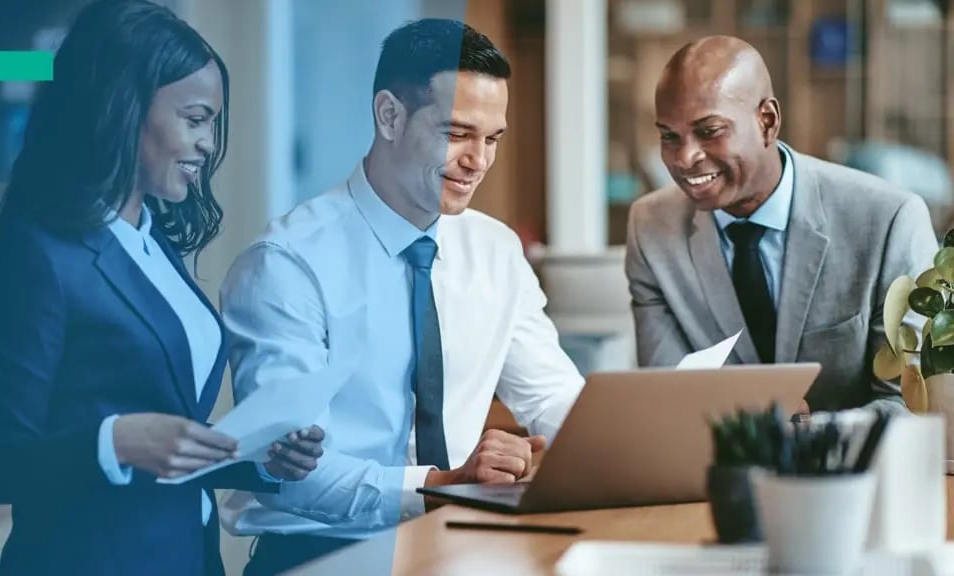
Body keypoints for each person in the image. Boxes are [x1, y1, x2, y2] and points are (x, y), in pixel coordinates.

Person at [0, 1, 323, 575]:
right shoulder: (34, 254)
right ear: (123, 108)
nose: (208, 144)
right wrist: (115, 441)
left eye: (213, 124)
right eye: (195, 119)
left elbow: (167, 441)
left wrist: (262, 461)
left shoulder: (151, 243)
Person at [218, 18, 585, 575]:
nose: (479, 161)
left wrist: (620, 446)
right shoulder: (287, 263)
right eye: (458, 133)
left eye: (492, 139)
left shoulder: (495, 250)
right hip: (319, 560)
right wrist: (439, 486)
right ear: (390, 115)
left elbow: (552, 396)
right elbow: (288, 475)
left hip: (459, 551)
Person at [625, 35, 937, 414]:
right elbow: (668, 397)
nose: (685, 157)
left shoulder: (888, 220)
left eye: (709, 131)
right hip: (712, 470)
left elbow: (907, 405)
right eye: (669, 136)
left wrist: (802, 436)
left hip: (851, 470)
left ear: (767, 121)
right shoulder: (651, 227)